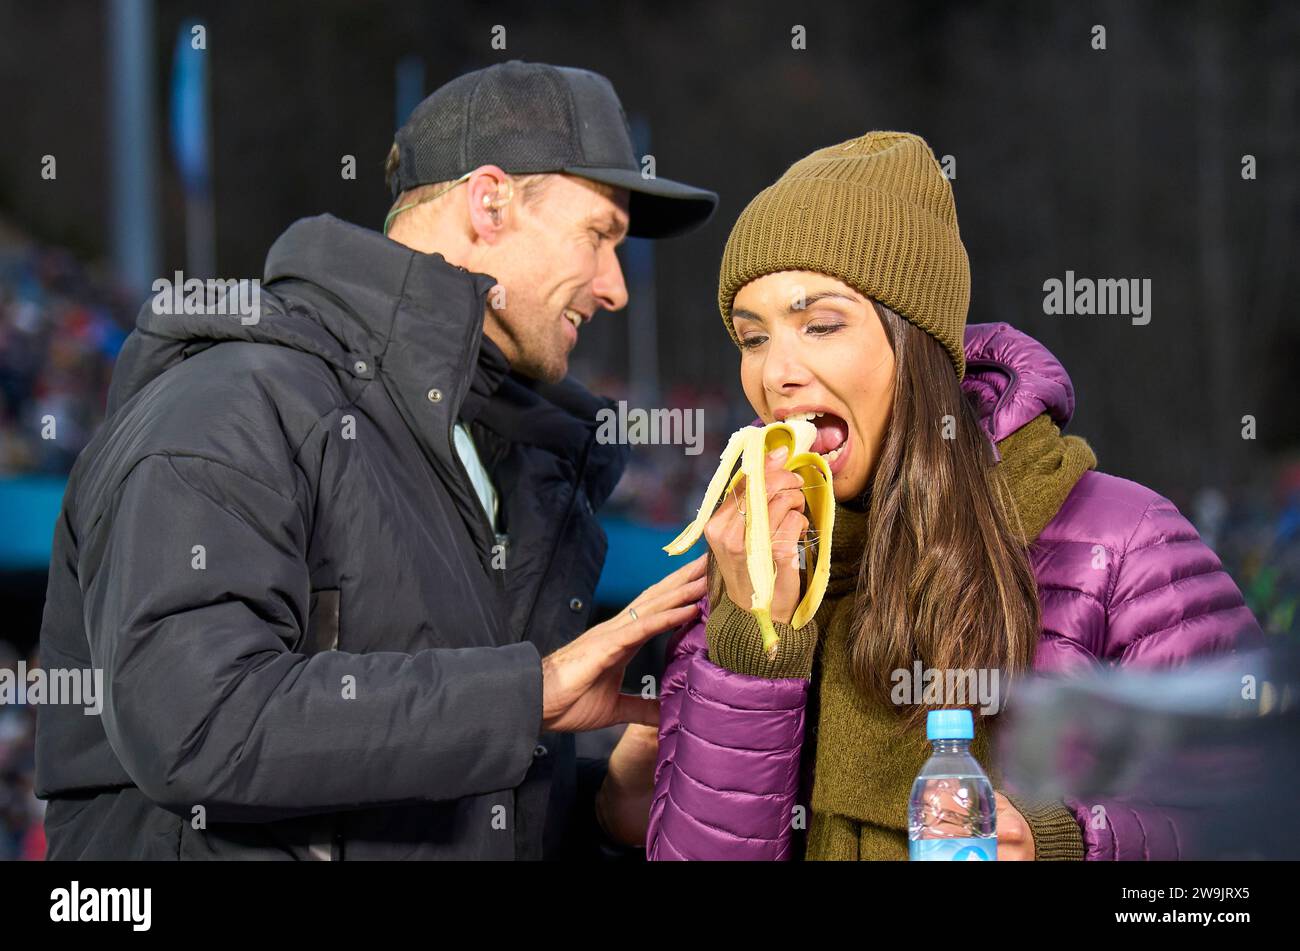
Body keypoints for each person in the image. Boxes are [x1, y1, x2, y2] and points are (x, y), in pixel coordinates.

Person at [35, 60, 717, 860]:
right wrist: (526, 696)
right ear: (488, 201)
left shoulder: (496, 456)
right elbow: (194, 722)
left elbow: (431, 798)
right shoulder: (231, 398)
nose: (615, 287)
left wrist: (598, 809)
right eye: (600, 235)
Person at [647, 131, 1265, 860]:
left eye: (820, 325)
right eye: (752, 338)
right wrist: (756, 646)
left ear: (916, 344)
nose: (775, 372)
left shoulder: (1123, 542)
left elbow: (1251, 818)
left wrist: (1065, 842)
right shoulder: (747, 564)